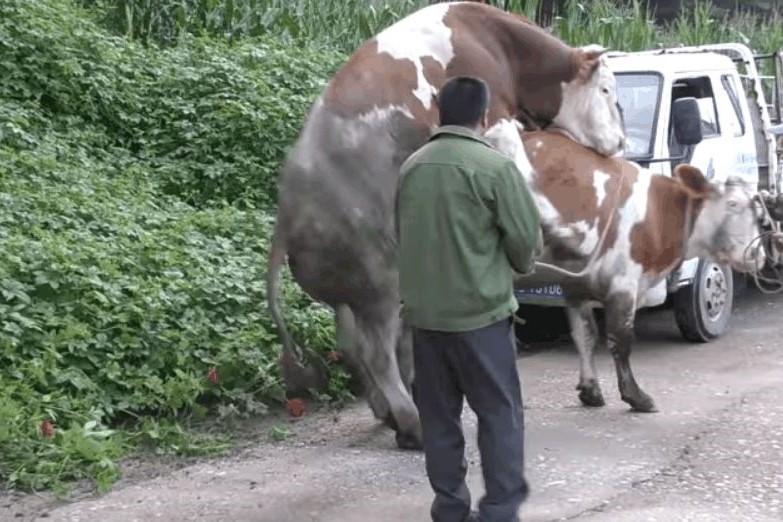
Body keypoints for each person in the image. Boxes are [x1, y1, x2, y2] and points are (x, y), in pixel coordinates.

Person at [396, 76, 542, 522]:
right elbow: (526, 245)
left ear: (439, 112)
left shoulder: (412, 168)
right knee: (499, 416)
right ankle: (498, 510)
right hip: (482, 320)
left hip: (425, 321)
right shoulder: (495, 168)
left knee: (439, 421)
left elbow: (402, 236)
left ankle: (450, 509)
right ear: (483, 117)